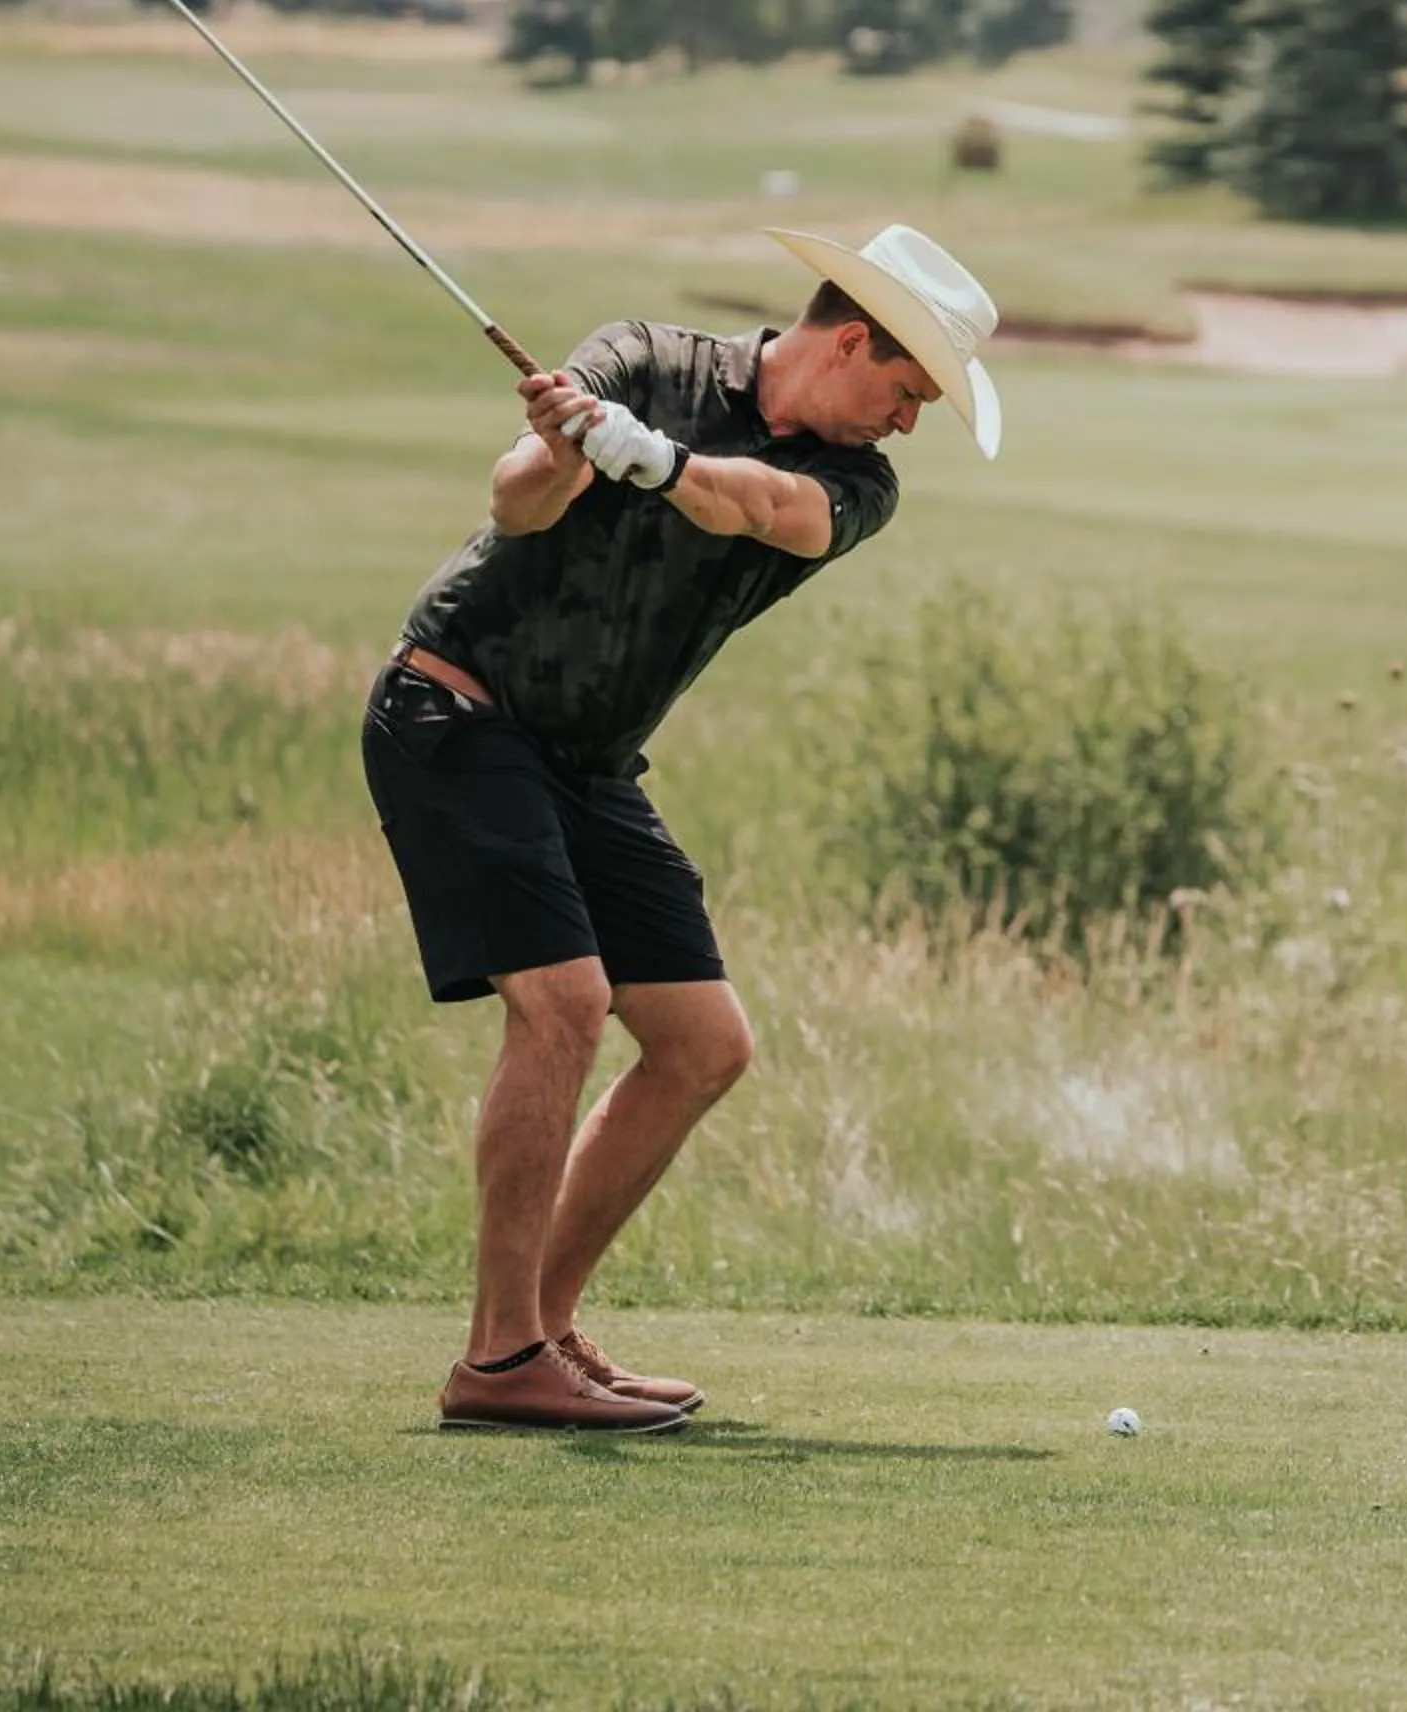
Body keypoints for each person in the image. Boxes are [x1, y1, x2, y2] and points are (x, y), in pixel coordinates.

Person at [362, 224, 1004, 1434]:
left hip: (588, 761)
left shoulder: (859, 483)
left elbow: (766, 507)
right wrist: (571, 449)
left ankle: (540, 1332)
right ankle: (499, 1361)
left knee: (703, 1043)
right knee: (565, 1003)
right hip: (460, 708)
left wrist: (654, 461)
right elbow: (515, 499)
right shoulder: (643, 357)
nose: (908, 422)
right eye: (909, 390)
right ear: (852, 341)